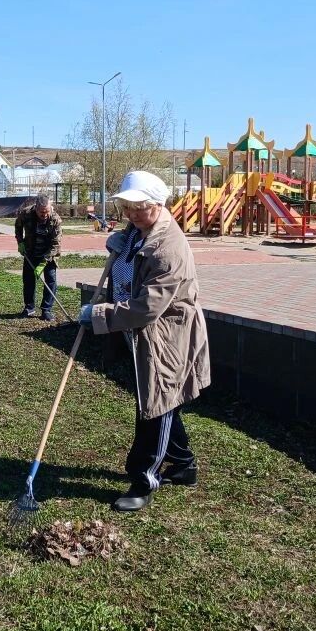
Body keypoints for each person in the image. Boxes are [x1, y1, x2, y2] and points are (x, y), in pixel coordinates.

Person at [77, 171, 210, 513]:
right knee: (161, 399)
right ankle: (184, 465)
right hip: (138, 332)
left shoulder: (168, 248)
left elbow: (148, 307)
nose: (132, 214)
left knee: (156, 404)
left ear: (158, 204)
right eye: (127, 207)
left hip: (166, 335)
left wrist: (98, 314)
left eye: (140, 207)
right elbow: (128, 273)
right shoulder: (137, 232)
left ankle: (144, 480)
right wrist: (117, 246)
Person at [14, 193, 62, 321]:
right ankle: (29, 308)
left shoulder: (55, 219)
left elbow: (56, 244)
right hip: (30, 252)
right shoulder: (26, 213)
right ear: (36, 208)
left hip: (49, 254)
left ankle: (46, 309)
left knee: (50, 280)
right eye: (41, 212)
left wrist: (43, 262)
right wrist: (20, 242)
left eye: (47, 212)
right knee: (28, 280)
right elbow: (18, 226)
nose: (44, 215)